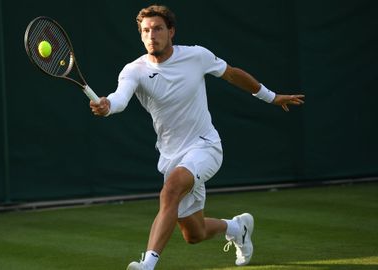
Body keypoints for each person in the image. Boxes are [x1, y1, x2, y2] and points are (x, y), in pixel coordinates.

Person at [90, 5, 305, 270]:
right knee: (194, 233)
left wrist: (271, 97)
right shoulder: (134, 70)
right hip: (172, 156)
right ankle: (237, 227)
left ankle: (147, 264)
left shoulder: (196, 56)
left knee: (170, 191)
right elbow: (119, 98)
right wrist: (107, 105)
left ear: (171, 31)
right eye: (145, 31)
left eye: (157, 29)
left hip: (206, 147)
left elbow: (232, 74)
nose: (151, 35)